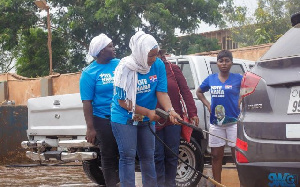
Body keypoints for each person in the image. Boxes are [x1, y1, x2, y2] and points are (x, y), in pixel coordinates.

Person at [110, 31, 182, 187]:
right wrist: (149, 112)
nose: (153, 59)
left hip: (146, 118)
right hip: (124, 117)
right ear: (140, 52)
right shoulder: (125, 68)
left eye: (156, 55)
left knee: (148, 156)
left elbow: (161, 92)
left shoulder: (158, 65)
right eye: (150, 55)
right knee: (128, 157)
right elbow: (123, 102)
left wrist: (170, 110)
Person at [196, 50, 242, 184]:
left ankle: (242, 182)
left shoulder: (238, 78)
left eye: (227, 61)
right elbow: (199, 92)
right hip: (216, 123)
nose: (224, 64)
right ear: (217, 63)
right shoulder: (211, 79)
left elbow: (249, 89)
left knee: (237, 156)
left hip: (234, 122)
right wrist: (208, 105)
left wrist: (241, 101)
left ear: (231, 62)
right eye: (221, 61)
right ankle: (218, 184)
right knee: (216, 156)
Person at [79, 34, 120, 187]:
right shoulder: (89, 73)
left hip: (122, 116)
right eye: (110, 46)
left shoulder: (120, 64)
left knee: (125, 153)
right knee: (108, 155)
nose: (113, 48)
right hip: (102, 119)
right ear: (101, 51)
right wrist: (90, 128)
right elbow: (87, 102)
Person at [154, 50, 199, 187]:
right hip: (153, 119)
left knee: (172, 155)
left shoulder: (173, 70)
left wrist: (193, 112)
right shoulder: (147, 71)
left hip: (174, 119)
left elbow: (185, 90)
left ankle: (171, 184)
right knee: (157, 156)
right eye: (155, 55)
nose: (159, 58)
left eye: (160, 54)